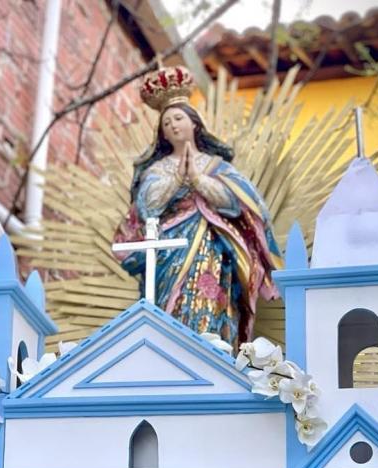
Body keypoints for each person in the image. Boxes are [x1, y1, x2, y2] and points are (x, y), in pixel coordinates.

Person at [113, 66, 281, 347]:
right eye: (166, 124)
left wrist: (199, 181)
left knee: (209, 303)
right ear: (162, 134)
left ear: (194, 123)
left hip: (212, 246)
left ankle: (212, 348)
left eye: (178, 118)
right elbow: (147, 206)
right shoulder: (157, 169)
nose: (173, 126)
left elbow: (240, 204)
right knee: (166, 308)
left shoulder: (217, 166)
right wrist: (178, 178)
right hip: (168, 249)